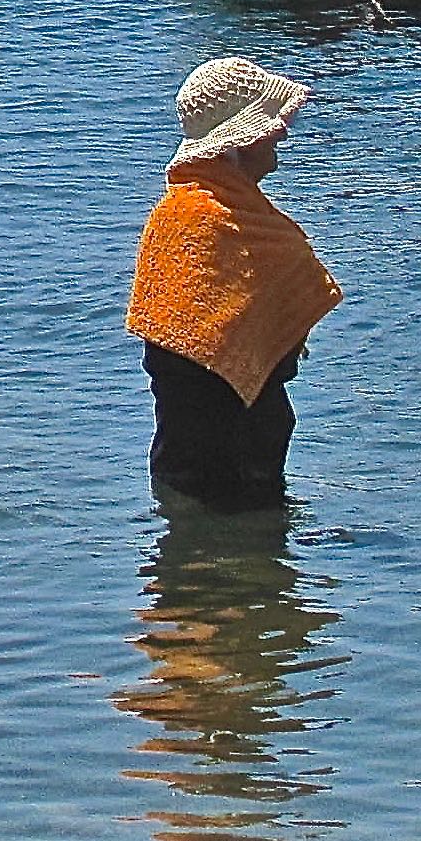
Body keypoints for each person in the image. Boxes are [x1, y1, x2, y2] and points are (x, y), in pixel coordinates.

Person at [127, 57, 341, 511]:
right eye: (270, 127)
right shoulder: (210, 221)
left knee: (192, 569)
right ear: (240, 144)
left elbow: (167, 353)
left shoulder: (176, 214)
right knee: (249, 565)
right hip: (233, 457)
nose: (281, 133)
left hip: (183, 452)